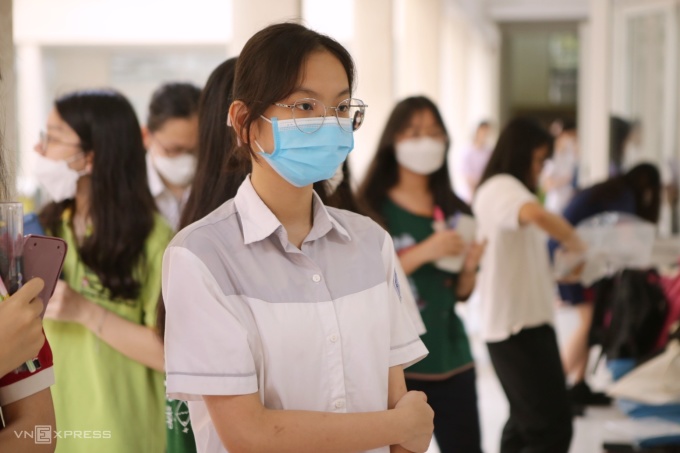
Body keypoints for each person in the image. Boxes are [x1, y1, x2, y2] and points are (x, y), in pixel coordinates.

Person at [162, 23, 433, 453]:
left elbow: (397, 403)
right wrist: (398, 428)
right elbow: (248, 435)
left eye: (341, 107)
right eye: (305, 106)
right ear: (244, 122)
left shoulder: (370, 242)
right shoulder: (200, 255)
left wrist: (402, 429)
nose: (328, 123)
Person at [34, 89, 173, 453]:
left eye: (52, 138)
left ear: (90, 157)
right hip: (51, 432)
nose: (39, 150)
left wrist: (85, 311)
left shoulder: (153, 240)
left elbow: (173, 356)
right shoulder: (46, 229)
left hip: (124, 437)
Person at [358, 96, 484, 453]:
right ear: (392, 141)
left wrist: (470, 266)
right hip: (397, 367)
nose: (425, 141)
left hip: (453, 357)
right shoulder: (367, 209)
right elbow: (364, 281)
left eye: (433, 132)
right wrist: (425, 252)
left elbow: (460, 293)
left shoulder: (456, 209)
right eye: (413, 133)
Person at [473, 117, 581, 453]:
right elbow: (535, 216)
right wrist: (576, 240)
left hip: (527, 323)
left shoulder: (512, 190)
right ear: (519, 155)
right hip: (516, 329)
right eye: (538, 160)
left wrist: (561, 269)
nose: (542, 169)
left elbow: (523, 250)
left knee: (526, 424)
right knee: (549, 429)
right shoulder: (501, 186)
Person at [552, 163, 661, 408]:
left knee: (590, 324)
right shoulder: (622, 196)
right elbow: (627, 236)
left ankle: (577, 386)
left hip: (574, 259)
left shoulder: (612, 191)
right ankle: (554, 390)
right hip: (572, 262)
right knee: (588, 325)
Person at [143, 82, 201, 230]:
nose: (187, 159)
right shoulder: (127, 188)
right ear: (146, 136)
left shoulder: (219, 189)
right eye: (174, 150)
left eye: (195, 150)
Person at [540, 119, 578, 214]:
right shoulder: (552, 158)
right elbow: (546, 185)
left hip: (570, 203)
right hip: (555, 206)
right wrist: (565, 180)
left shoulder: (571, 155)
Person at [458, 121, 493, 204]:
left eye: (487, 132)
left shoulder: (489, 152)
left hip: (486, 192)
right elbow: (468, 177)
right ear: (477, 131)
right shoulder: (468, 152)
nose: (485, 135)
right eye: (483, 131)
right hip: (471, 196)